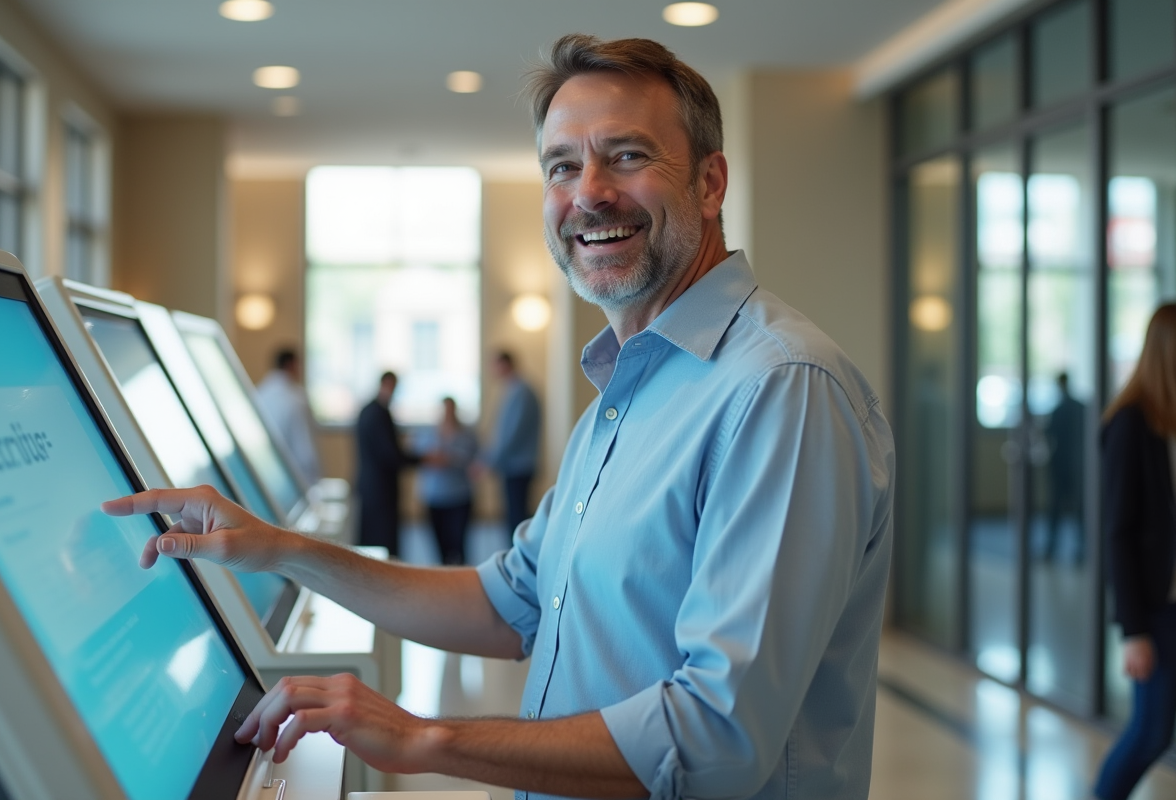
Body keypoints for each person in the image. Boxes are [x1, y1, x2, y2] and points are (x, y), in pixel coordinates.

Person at [103, 35, 894, 799]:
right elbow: (506, 603)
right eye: (562, 165)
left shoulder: (780, 390)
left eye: (627, 155)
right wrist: (282, 550)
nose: (589, 192)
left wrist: (424, 737)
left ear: (710, 183)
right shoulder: (628, 392)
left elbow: (717, 738)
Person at [1093, 303, 1176, 800]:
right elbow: (1118, 533)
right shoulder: (1130, 425)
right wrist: (1134, 630)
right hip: (1156, 609)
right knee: (1151, 732)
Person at [354, 371, 417, 557]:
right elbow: (390, 455)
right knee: (381, 543)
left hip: (371, 486)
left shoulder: (369, 410)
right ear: (387, 385)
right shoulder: (378, 413)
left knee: (374, 539)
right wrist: (420, 459)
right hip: (379, 489)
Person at [485, 350, 541, 540]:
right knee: (513, 516)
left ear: (505, 365)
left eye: (494, 365)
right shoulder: (512, 390)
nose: (492, 370)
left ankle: (518, 556)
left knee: (517, 519)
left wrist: (490, 460)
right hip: (512, 466)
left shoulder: (521, 392)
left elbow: (512, 435)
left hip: (519, 467)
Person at [417, 397, 478, 565]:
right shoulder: (428, 433)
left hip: (459, 495)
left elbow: (474, 459)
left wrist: (449, 459)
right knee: (439, 545)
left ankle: (461, 575)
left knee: (459, 544)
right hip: (434, 496)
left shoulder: (466, 434)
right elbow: (419, 457)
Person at [255, 347, 322, 485]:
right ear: (291, 365)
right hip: (296, 477)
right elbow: (305, 451)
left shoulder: (259, 394)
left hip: (265, 473)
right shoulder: (297, 399)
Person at [1042, 372, 1086, 564]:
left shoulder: (1059, 410)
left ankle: (1053, 549)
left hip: (1063, 465)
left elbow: (1049, 436)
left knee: (1059, 509)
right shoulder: (1080, 408)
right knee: (1077, 510)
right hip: (1075, 465)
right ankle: (1081, 550)